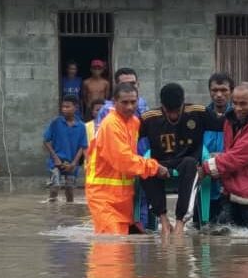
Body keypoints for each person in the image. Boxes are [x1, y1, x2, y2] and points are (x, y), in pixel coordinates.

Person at [86, 83, 170, 235]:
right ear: (114, 102)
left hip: (125, 197)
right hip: (103, 197)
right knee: (111, 247)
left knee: (124, 250)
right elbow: (124, 161)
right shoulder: (110, 125)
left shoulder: (134, 122)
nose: (130, 107)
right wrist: (154, 167)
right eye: (125, 102)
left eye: (133, 102)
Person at [199, 82, 248, 235]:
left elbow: (237, 156)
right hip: (231, 191)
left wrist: (207, 167)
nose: (238, 108)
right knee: (221, 236)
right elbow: (232, 152)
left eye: (243, 104)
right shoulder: (230, 120)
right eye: (235, 103)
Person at [139, 83, 207, 237]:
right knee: (146, 167)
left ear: (183, 103)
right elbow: (129, 139)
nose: (173, 116)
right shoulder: (148, 118)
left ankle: (180, 223)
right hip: (161, 161)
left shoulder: (198, 112)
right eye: (169, 112)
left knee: (191, 164)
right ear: (162, 106)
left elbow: (225, 124)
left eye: (177, 111)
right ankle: (163, 221)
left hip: (186, 161)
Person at [197, 72, 235, 228]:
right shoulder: (200, 116)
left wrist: (222, 158)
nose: (219, 95)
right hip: (205, 178)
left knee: (228, 229)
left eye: (224, 90)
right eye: (214, 90)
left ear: (231, 91)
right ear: (209, 91)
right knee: (201, 228)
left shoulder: (237, 118)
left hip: (229, 179)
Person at [43, 94, 88, 203]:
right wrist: (55, 158)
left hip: (71, 163)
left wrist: (74, 163)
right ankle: (52, 209)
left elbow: (82, 147)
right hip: (56, 162)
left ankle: (69, 210)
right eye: (63, 107)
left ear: (75, 108)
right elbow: (46, 141)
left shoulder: (81, 126)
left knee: (70, 189)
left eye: (67, 107)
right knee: (55, 185)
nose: (64, 109)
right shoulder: (56, 122)